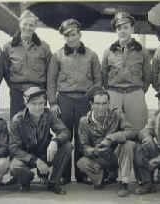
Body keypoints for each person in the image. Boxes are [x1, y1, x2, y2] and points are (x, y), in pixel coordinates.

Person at [47, 19, 102, 183]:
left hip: (84, 100)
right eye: (67, 36)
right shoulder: (57, 56)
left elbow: (98, 80)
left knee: (82, 138)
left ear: (79, 34)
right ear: (64, 37)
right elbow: (51, 81)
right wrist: (53, 103)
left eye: (73, 34)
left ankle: (81, 174)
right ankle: (63, 176)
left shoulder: (92, 55)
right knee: (64, 136)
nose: (71, 38)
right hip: (64, 99)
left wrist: (92, 99)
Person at [9, 86, 72, 194]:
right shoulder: (17, 120)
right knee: (15, 167)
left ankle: (53, 182)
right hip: (27, 156)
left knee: (67, 146)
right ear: (26, 104)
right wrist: (35, 161)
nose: (38, 107)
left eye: (41, 103)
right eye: (34, 104)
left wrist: (55, 141)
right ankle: (26, 180)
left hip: (44, 153)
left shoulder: (49, 115)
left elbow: (65, 131)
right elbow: (13, 148)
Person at [77, 88, 138, 197]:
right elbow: (83, 146)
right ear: (91, 104)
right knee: (82, 163)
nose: (101, 107)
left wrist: (111, 138)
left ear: (109, 103)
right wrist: (94, 150)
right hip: (99, 157)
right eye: (97, 104)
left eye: (104, 103)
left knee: (128, 145)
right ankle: (102, 178)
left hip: (116, 155)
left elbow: (132, 132)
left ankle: (124, 183)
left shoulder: (117, 114)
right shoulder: (84, 121)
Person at [102, 11, 151, 131]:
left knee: (137, 129)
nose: (122, 31)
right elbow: (103, 74)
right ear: (116, 30)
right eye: (119, 28)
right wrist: (110, 91)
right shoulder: (108, 51)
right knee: (112, 129)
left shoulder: (142, 51)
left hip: (134, 93)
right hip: (114, 93)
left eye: (126, 27)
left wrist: (139, 91)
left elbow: (148, 75)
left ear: (132, 29)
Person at [4, 10, 52, 118]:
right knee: (17, 122)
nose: (28, 28)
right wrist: (14, 85)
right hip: (17, 92)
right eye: (25, 24)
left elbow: (50, 71)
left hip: (38, 92)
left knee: (39, 123)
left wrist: (44, 90)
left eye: (31, 25)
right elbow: (5, 70)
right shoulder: (9, 47)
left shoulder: (44, 47)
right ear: (20, 24)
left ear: (35, 27)